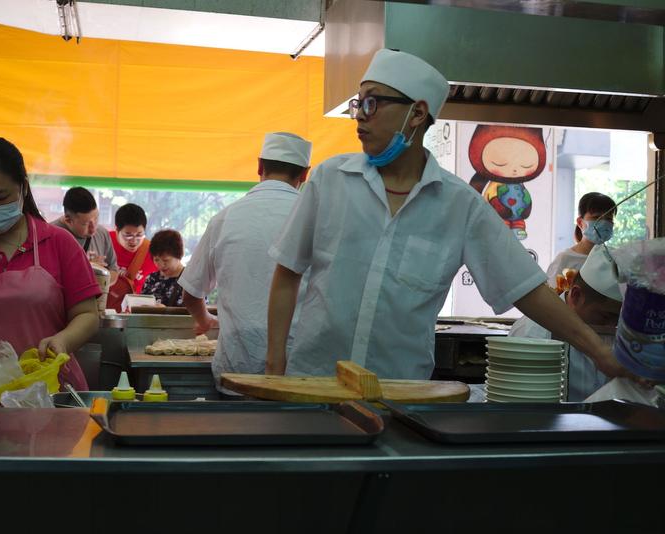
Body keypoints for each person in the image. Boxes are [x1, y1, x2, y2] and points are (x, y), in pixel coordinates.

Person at [265, 49, 635, 385]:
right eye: (358, 104)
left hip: (398, 394)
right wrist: (274, 368)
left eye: (373, 103)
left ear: (418, 113)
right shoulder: (331, 180)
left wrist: (601, 353)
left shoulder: (459, 205)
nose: (360, 117)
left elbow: (527, 289)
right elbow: (287, 273)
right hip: (312, 383)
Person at [0, 136, 99, 391]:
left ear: (23, 187)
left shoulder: (58, 242)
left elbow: (88, 315)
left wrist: (63, 340)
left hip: (50, 388)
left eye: (0, 197)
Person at [179, 132, 312, 392]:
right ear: (305, 175)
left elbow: (191, 293)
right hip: (297, 373)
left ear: (260, 166)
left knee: (239, 430)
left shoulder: (225, 218)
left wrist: (204, 319)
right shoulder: (315, 218)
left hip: (237, 369)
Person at [510, 247, 623, 401]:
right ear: (576, 296)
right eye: (605, 316)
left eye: (617, 319)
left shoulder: (620, 332)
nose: (612, 326)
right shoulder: (531, 333)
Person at [546, 192, 617, 287]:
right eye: (596, 217)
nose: (603, 223)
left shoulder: (615, 258)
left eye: (608, 219)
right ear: (580, 222)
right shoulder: (565, 259)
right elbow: (552, 297)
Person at [51, 186, 119, 283]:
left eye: (96, 219)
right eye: (85, 224)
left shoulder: (102, 233)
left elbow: (114, 271)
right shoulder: (50, 236)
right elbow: (48, 278)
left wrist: (101, 277)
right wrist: (87, 269)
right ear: (68, 220)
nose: (93, 229)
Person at [109, 203, 157, 295]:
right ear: (117, 230)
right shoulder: (104, 241)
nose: (134, 241)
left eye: (139, 234)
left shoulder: (153, 251)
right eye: (128, 235)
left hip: (137, 307)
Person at [142, 229, 186, 307]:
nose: (161, 265)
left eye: (166, 260)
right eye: (156, 260)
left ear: (179, 256)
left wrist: (164, 311)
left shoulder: (191, 281)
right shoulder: (151, 279)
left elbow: (198, 314)